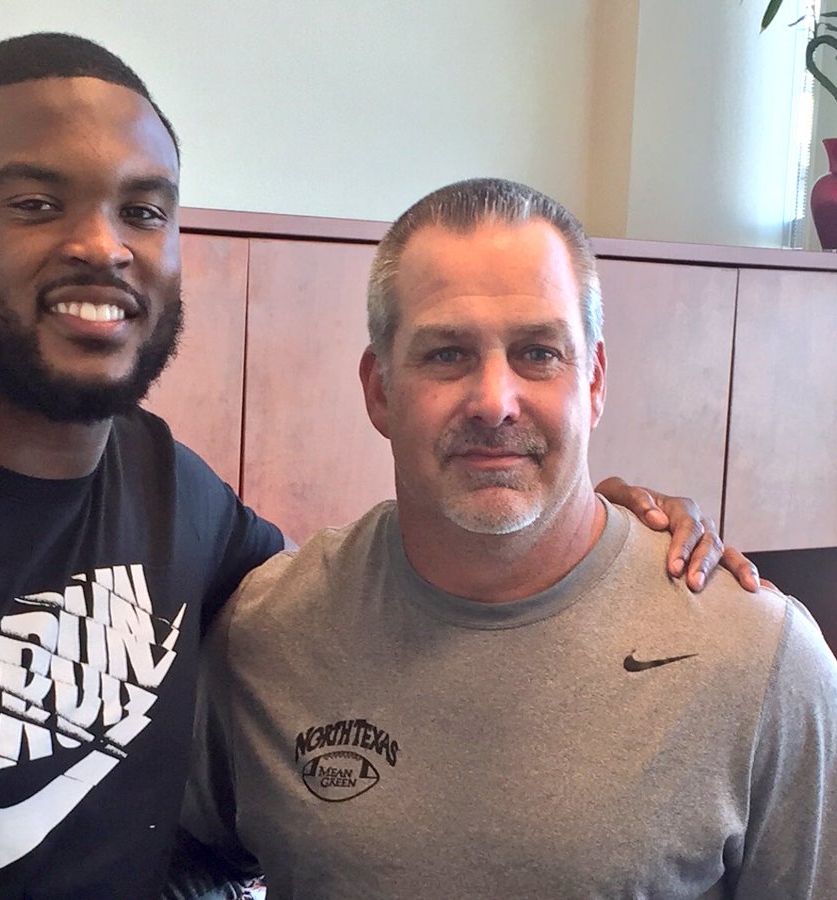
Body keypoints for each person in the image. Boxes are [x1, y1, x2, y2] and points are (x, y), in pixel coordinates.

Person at [0, 35, 752, 899]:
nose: (103, 245)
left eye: (145, 209)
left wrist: (599, 534)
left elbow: (387, 598)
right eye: (36, 203)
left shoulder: (180, 499)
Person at [173, 178, 837, 898]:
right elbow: (189, 860)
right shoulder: (265, 631)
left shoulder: (760, 661)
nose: (494, 401)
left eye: (539, 352)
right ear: (380, 389)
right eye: (446, 354)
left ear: (594, 382)